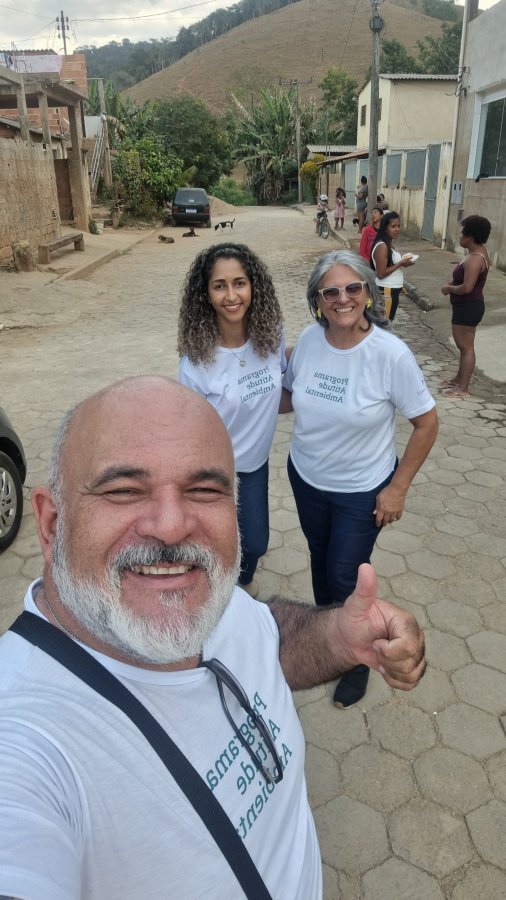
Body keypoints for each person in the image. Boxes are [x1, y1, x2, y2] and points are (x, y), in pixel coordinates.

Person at [0, 376, 426, 900]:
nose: (172, 526)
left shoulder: (204, 594)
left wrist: (340, 635)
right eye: (124, 490)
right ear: (50, 523)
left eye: (204, 490)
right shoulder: (24, 741)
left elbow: (265, 636)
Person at [281, 251, 438, 708]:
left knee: (344, 573)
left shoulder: (390, 354)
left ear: (368, 291)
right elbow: (289, 396)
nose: (342, 298)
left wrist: (397, 488)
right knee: (319, 557)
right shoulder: (309, 340)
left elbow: (427, 423)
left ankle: (354, 660)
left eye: (352, 288)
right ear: (317, 300)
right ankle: (327, 636)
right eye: (330, 291)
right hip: (306, 477)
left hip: (362, 491)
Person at [178, 243, 285, 598]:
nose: (231, 296)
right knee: (213, 545)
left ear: (254, 286)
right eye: (219, 286)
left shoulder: (271, 338)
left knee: (255, 543)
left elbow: (279, 389)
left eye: (239, 283)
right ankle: (216, 597)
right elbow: (189, 429)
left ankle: (242, 585)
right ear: (205, 295)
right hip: (213, 471)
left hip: (254, 465)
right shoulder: (197, 361)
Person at [440, 215, 491, 398]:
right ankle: (458, 379)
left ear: (470, 236)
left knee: (466, 347)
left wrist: (449, 288)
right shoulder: (476, 253)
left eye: (462, 233)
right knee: (463, 346)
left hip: (468, 307)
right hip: (467, 306)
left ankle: (463, 388)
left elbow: (467, 287)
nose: (460, 236)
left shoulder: (476, 259)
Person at [371, 211, 416, 322]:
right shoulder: (382, 246)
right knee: (385, 324)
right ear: (385, 228)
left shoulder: (388, 244)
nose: (397, 229)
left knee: (387, 322)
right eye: (393, 226)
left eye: (398, 226)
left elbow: (390, 265)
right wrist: (400, 263)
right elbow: (381, 273)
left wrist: (404, 263)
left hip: (391, 290)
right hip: (387, 291)